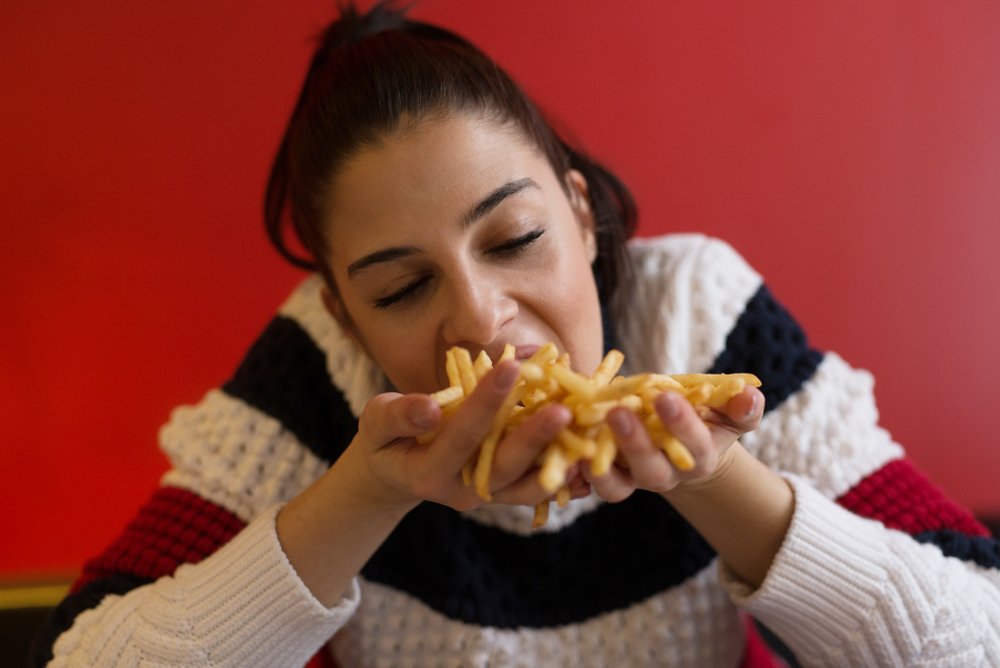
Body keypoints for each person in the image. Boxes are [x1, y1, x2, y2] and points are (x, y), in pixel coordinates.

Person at [34, 3, 1000, 667]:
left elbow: (978, 635)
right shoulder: (318, 376)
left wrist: (712, 478)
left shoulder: (696, 317)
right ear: (343, 312)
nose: (484, 320)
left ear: (581, 216)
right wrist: (367, 494)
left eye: (515, 239)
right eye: (405, 287)